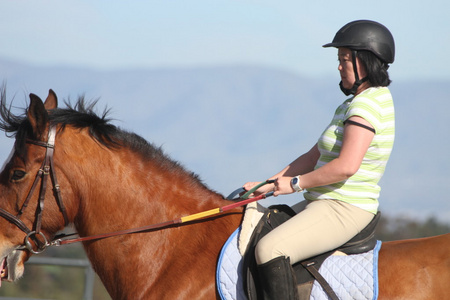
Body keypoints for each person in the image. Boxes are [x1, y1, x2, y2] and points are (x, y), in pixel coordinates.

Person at [243, 20, 395, 300]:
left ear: (365, 62)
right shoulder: (351, 104)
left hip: (345, 207)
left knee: (270, 249)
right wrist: (270, 183)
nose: (339, 66)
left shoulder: (367, 105)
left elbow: (346, 167)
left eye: (344, 60)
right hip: (325, 202)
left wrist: (295, 184)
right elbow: (314, 156)